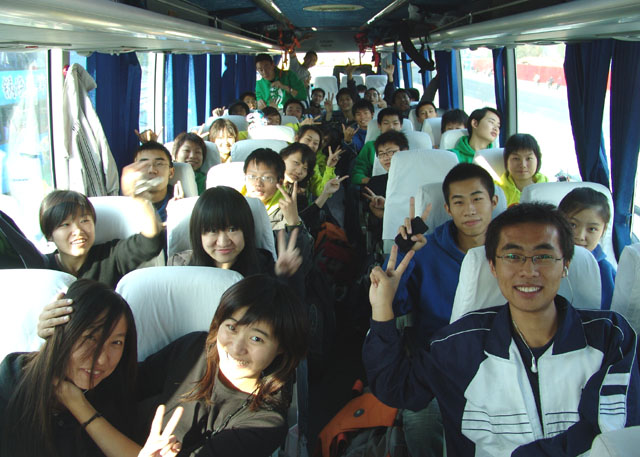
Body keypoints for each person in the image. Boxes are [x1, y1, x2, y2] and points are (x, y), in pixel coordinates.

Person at [364, 202, 640, 457]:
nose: (529, 270)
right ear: (493, 267)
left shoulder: (611, 338)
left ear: (565, 265)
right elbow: (397, 388)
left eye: (544, 256)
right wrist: (382, 309)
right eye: (513, 256)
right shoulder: (460, 345)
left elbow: (610, 427)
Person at [0, 279, 182, 457]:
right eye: (90, 338)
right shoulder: (9, 389)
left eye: (116, 342)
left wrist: (78, 405)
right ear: (62, 333)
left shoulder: (111, 391)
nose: (102, 359)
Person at [135, 274, 310, 456]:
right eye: (232, 328)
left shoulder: (265, 422)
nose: (236, 348)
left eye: (256, 339)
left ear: (281, 348)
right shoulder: (194, 349)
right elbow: (132, 383)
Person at [168, 186, 303, 282]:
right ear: (199, 234)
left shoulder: (264, 268)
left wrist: (280, 277)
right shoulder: (180, 269)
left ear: (246, 231)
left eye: (232, 229)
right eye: (213, 231)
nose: (223, 242)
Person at [40, 188, 164, 289]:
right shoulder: (42, 269)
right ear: (49, 235)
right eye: (65, 224)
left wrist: (141, 199)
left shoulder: (110, 256)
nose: (78, 231)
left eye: (84, 221)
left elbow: (150, 243)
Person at [559, 187, 615, 310]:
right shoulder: (540, 261)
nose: (580, 236)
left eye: (592, 229)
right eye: (572, 225)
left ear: (603, 230)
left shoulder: (606, 272)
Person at [362, 131, 409, 221]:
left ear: (405, 151)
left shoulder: (416, 180)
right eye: (381, 154)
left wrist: (387, 206)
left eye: (390, 152)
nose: (386, 158)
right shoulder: (374, 183)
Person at [351, 108, 403, 185]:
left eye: (395, 123)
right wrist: (374, 182)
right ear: (379, 125)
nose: (391, 127)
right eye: (386, 123)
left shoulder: (408, 146)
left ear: (401, 126)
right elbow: (356, 174)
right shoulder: (370, 146)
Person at [496, 133, 548, 206]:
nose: (523, 165)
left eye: (529, 158)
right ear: (506, 160)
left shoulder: (549, 188)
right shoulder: (496, 190)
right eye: (516, 158)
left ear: (538, 159)